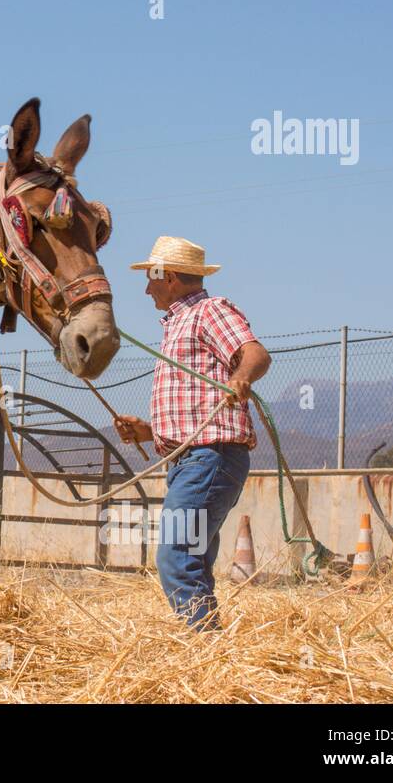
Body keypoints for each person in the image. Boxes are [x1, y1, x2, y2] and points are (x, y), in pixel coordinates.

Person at [113, 236, 271, 631]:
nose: (146, 288)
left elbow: (256, 354)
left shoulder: (208, 310)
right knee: (192, 556)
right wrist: (148, 432)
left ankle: (205, 645)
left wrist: (241, 377)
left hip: (209, 458)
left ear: (167, 277)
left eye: (150, 278)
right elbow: (195, 408)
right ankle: (208, 642)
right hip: (198, 459)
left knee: (176, 555)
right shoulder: (179, 322)